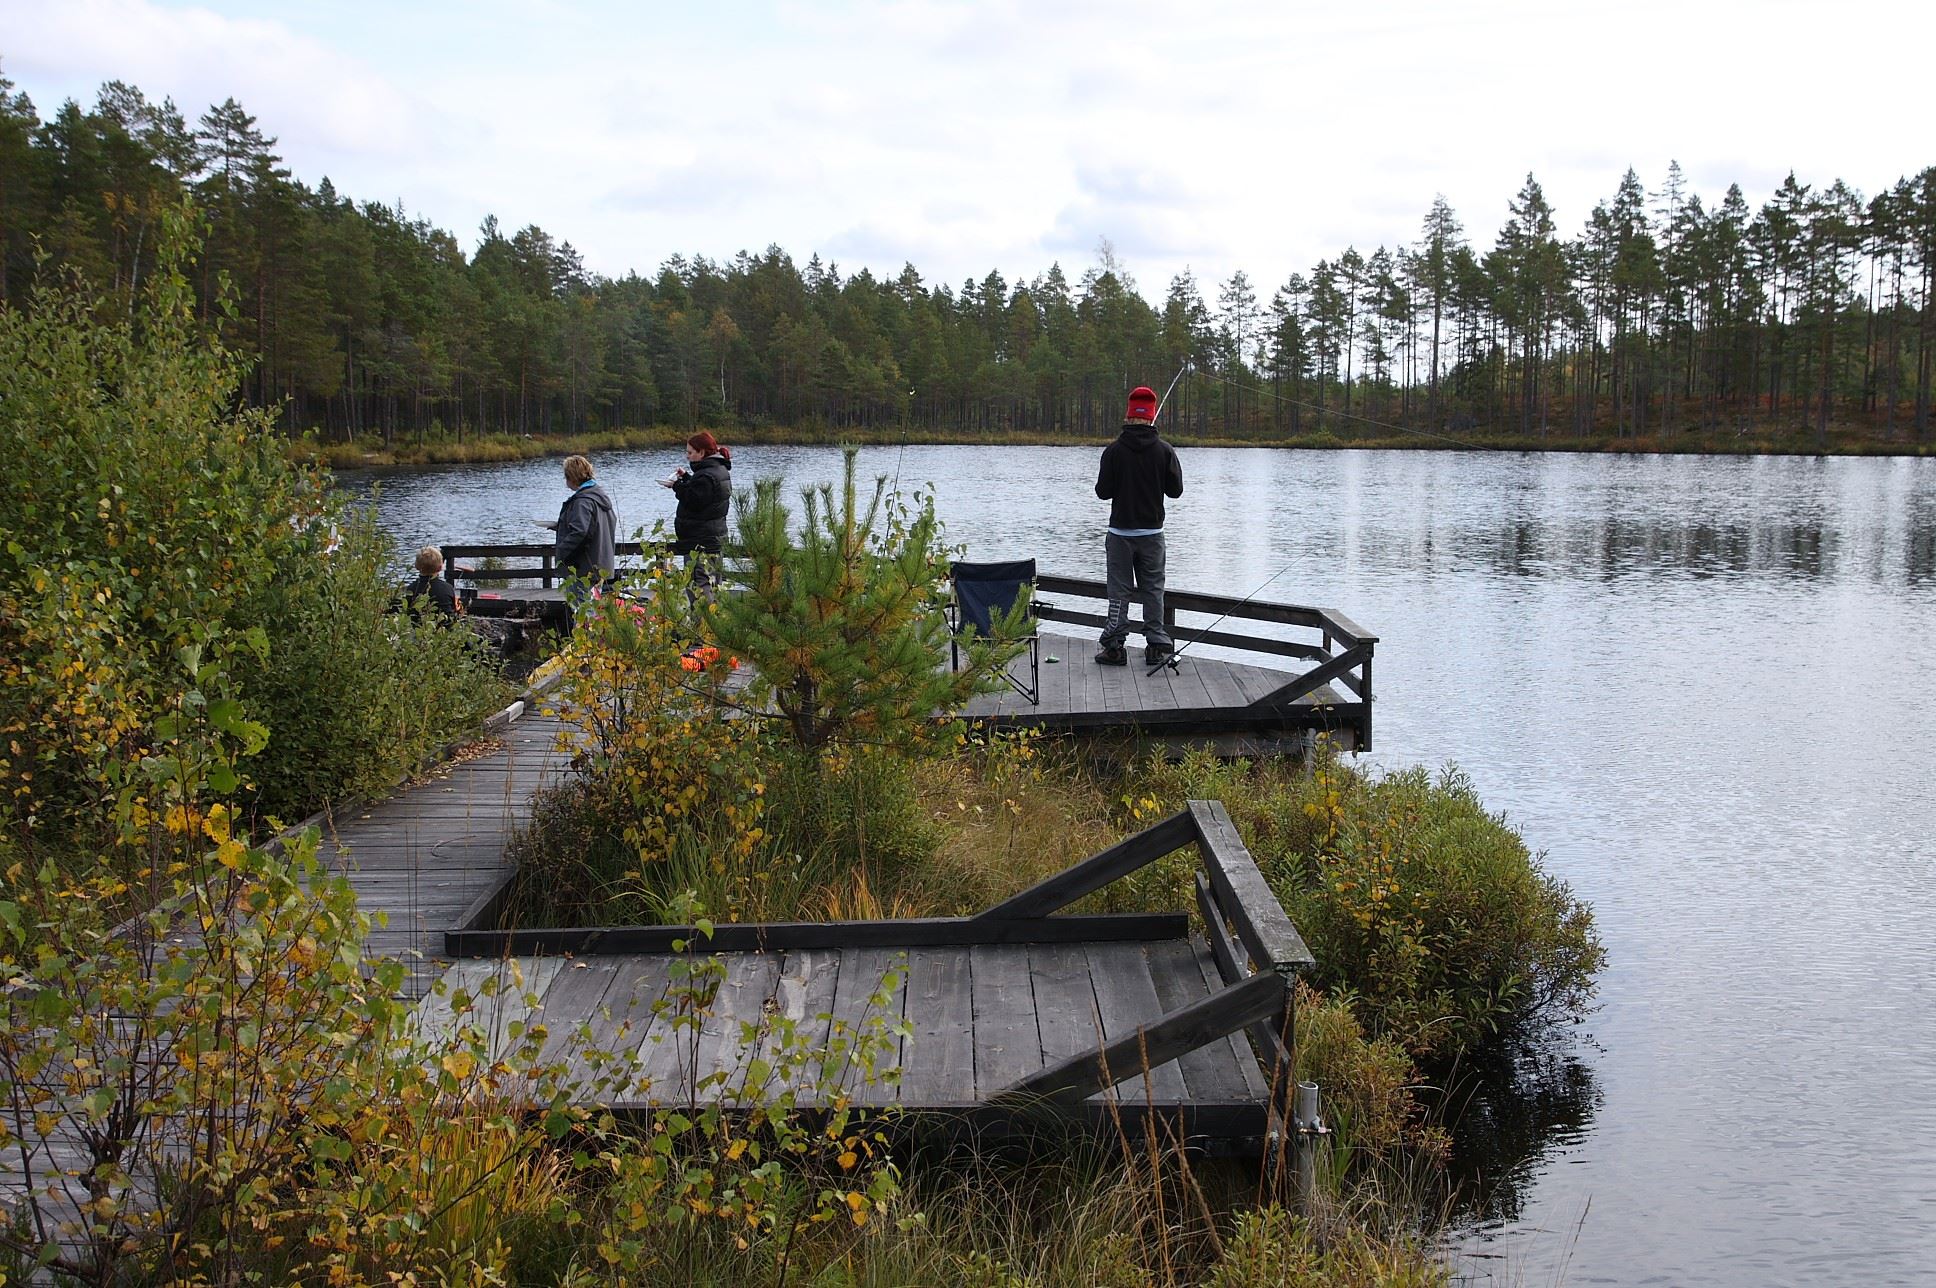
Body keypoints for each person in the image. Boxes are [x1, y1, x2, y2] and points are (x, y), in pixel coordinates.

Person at [1093, 384, 1183, 667]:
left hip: (1120, 534)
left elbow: (1102, 492)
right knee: (1153, 588)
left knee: (1119, 591)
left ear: (1128, 415)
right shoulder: (1164, 451)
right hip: (1152, 535)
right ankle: (1156, 644)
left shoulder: (1113, 451)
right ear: (1152, 417)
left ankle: (1115, 646)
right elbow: (1176, 491)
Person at [661, 431, 732, 596]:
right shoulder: (718, 470)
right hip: (714, 538)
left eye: (690, 452)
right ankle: (714, 619)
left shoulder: (706, 476)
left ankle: (701, 621)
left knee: (699, 586)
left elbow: (694, 500)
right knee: (714, 583)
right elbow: (703, 495)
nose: (687, 456)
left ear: (702, 453)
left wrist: (677, 486)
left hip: (699, 542)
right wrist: (686, 478)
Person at [553, 454, 619, 621]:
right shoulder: (599, 496)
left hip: (582, 566)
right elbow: (593, 528)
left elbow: (580, 532)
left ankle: (586, 645)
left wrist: (562, 553)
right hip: (600, 565)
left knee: (582, 611)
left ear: (571, 477)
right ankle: (594, 643)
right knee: (594, 608)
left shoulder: (582, 501)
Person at [398, 545, 458, 620]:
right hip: (445, 628)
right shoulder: (448, 588)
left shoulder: (410, 590)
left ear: (416, 566)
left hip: (417, 629)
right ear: (440, 567)